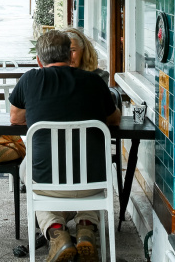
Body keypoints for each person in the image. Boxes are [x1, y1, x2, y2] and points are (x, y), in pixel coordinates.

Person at [9, 30, 121, 262]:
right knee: (87, 174)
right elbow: (114, 119)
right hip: (93, 182)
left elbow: (16, 118)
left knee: (27, 173)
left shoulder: (30, 79)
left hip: (47, 184)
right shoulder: (94, 81)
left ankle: (57, 232)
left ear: (39, 60)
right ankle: (86, 228)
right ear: (70, 57)